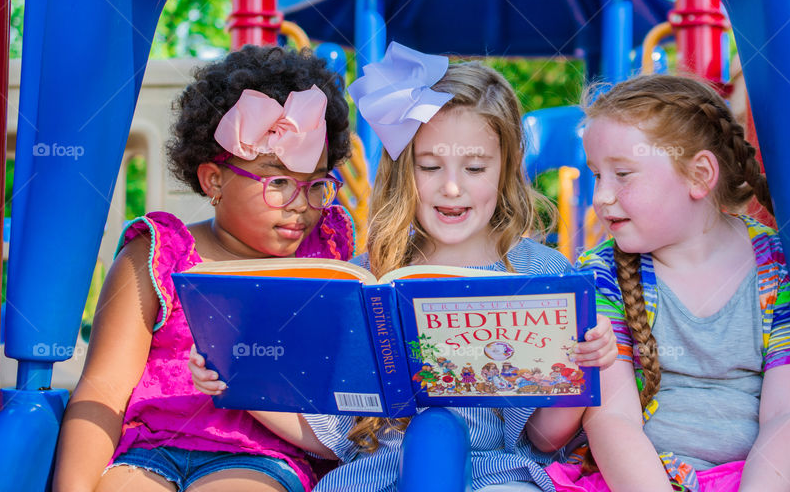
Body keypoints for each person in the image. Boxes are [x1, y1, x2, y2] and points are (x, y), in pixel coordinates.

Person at [192, 43, 618, 491]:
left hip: (494, 475)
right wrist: (232, 373)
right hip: (377, 477)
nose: (452, 188)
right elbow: (327, 437)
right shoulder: (369, 278)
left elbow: (545, 438)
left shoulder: (540, 273)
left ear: (505, 169)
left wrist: (582, 369)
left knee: (449, 441)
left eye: (475, 167)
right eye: (430, 166)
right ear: (404, 172)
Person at [53, 45, 354, 492]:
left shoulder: (323, 257)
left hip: (260, 456)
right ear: (214, 179)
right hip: (149, 449)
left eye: (316, 185)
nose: (301, 207)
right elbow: (104, 388)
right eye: (279, 183)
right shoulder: (158, 253)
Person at [533, 74, 790, 492]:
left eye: (623, 174)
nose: (601, 196)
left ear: (699, 175)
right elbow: (612, 416)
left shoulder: (778, 268)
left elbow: (789, 413)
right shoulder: (601, 277)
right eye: (597, 175)